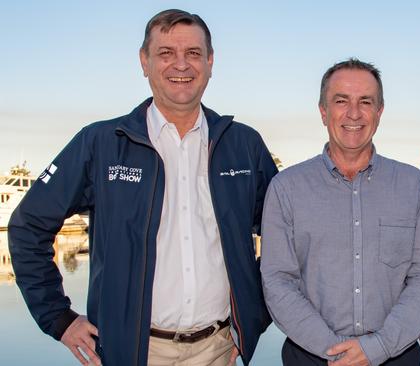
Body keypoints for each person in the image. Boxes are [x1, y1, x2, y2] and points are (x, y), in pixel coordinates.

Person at [8, 9, 277, 366]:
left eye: (193, 54)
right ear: (144, 62)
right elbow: (28, 227)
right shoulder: (100, 143)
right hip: (135, 352)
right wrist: (59, 319)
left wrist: (252, 316)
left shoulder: (243, 145)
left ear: (210, 62)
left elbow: (284, 240)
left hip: (219, 349)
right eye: (166, 53)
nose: (181, 65)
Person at [261, 58, 420, 366]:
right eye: (341, 101)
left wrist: (377, 347)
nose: (354, 113)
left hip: (395, 356)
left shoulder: (414, 186)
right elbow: (278, 280)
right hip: (310, 357)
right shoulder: (285, 189)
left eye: (366, 102)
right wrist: (335, 350)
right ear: (323, 111)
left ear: (379, 112)